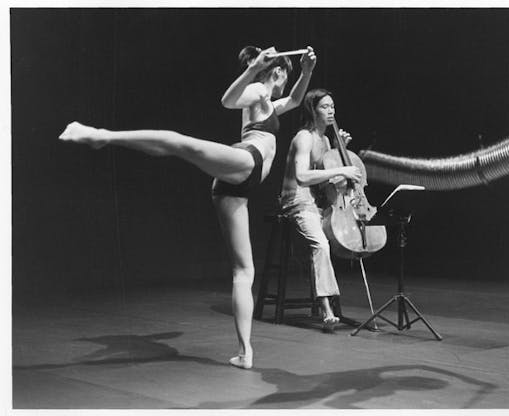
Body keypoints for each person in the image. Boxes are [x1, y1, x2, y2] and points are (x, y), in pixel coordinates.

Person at [59, 45, 317, 369]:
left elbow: (293, 100)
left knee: (244, 271)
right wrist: (254, 69)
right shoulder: (255, 90)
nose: (284, 83)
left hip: (237, 186)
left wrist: (306, 73)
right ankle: (101, 135)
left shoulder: (266, 99)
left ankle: (245, 352)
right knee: (178, 142)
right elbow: (227, 101)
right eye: (286, 75)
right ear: (277, 72)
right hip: (244, 164)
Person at [280, 88, 361, 332]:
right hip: (297, 200)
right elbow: (303, 176)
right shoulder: (304, 137)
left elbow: (325, 183)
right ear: (312, 110)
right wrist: (340, 170)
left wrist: (338, 151)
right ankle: (326, 308)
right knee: (322, 245)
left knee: (340, 237)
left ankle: (329, 302)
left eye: (332, 106)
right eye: (325, 107)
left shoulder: (326, 140)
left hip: (317, 202)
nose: (331, 111)